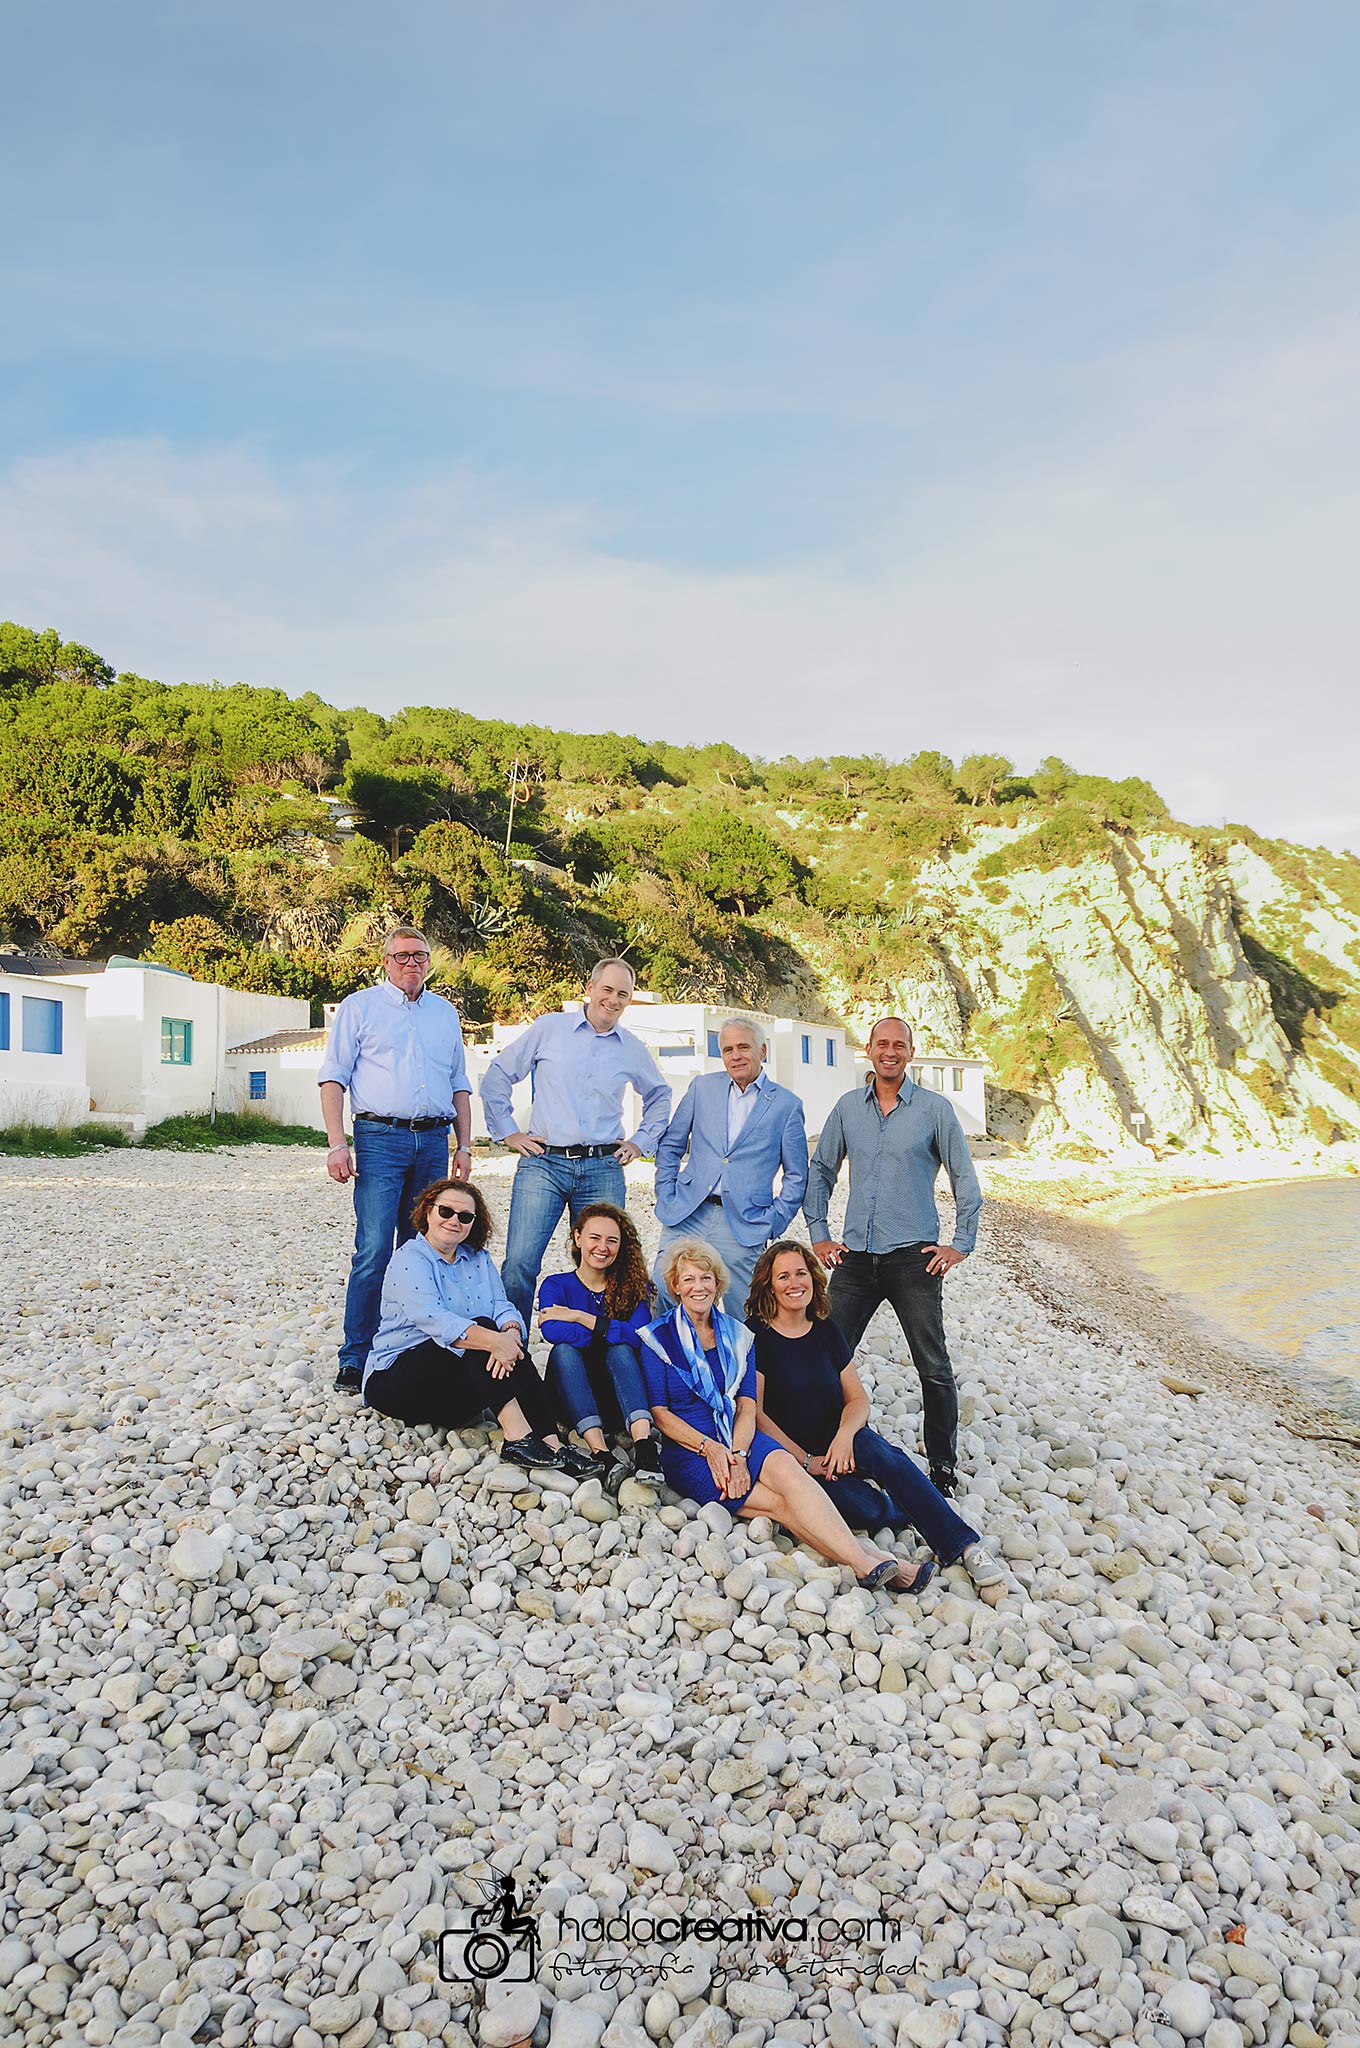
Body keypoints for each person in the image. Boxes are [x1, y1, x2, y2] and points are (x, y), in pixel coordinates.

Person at [640, 1241, 936, 1596]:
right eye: (688, 1280)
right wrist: (712, 1451)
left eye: (706, 1278)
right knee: (782, 1505)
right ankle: (873, 1564)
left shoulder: (738, 1336)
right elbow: (660, 1413)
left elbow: (747, 1406)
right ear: (675, 1286)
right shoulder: (657, 1338)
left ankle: (871, 1563)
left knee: (793, 1475)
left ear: (718, 1284)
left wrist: (738, 1454)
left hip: (740, 1437)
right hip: (692, 1452)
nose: (698, 1287)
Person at [747, 1240, 1007, 1603]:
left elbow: (857, 1400)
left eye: (801, 1273)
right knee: (864, 1509)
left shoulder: (825, 1330)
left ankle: (963, 1546)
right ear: (769, 1284)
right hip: (796, 1460)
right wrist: (808, 1461)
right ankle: (912, 1505)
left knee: (884, 1455)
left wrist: (843, 1436)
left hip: (844, 1441)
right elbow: (756, 1414)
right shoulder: (757, 1336)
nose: (795, 1283)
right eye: (784, 1276)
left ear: (813, 1278)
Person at [804, 1016, 981, 1496]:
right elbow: (820, 1170)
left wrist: (960, 1243)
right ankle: (811, 1447)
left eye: (898, 1044)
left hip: (913, 1259)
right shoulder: (847, 1108)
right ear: (868, 1050)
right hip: (855, 1259)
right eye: (881, 1043)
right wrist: (819, 1232)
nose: (890, 1051)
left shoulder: (934, 1110)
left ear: (910, 1051)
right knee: (825, 1354)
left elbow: (964, 1177)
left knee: (933, 1364)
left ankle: (942, 1463)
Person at [319, 926, 474, 1392]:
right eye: (402, 955)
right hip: (378, 1138)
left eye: (420, 956)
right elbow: (333, 1079)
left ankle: (411, 1346)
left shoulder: (445, 1014)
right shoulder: (359, 1007)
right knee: (374, 1250)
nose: (412, 963)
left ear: (429, 962)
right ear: (385, 960)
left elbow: (459, 1085)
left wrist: (464, 1146)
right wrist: (336, 1143)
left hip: (433, 1140)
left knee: (425, 1248)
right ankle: (356, 1354)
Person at [480, 959, 671, 1329]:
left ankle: (604, 1348)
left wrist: (640, 1142)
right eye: (607, 990)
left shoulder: (632, 1048)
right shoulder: (550, 1028)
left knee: (607, 1261)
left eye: (623, 994)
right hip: (544, 1163)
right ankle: (509, 1348)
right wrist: (508, 1131)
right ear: (590, 987)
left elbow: (660, 1095)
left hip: (603, 1167)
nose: (613, 1000)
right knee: (520, 1261)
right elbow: (500, 1073)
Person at [362, 1177, 594, 1474]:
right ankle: (517, 1437)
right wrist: (495, 1341)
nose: (453, 1221)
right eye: (445, 1211)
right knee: (482, 1331)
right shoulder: (409, 1259)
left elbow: (502, 1306)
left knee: (501, 1335)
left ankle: (552, 1441)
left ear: (474, 1222)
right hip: (397, 1383)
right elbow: (434, 1319)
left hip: (455, 1397)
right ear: (428, 1211)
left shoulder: (478, 1258)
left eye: (465, 1216)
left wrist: (510, 1333)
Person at [653, 1015, 808, 1315]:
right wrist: (666, 1190)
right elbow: (672, 1143)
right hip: (686, 1212)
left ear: (762, 1051)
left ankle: (740, 1363)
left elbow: (797, 1176)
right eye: (727, 1049)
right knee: (663, 1290)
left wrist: (773, 1221)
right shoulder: (702, 1088)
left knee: (744, 1311)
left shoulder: (786, 1105)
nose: (735, 1056)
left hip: (744, 1223)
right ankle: (670, 1361)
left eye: (743, 1047)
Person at [538, 1202, 664, 1485]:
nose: (602, 1247)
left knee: (620, 1352)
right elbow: (553, 1331)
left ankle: (644, 1448)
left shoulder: (633, 1287)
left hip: (619, 1397)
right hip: (573, 1395)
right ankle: (601, 1453)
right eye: (595, 1238)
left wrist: (578, 1317)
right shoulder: (555, 1285)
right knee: (565, 1352)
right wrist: (608, 1332)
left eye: (612, 1240)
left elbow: (641, 1337)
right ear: (578, 1237)